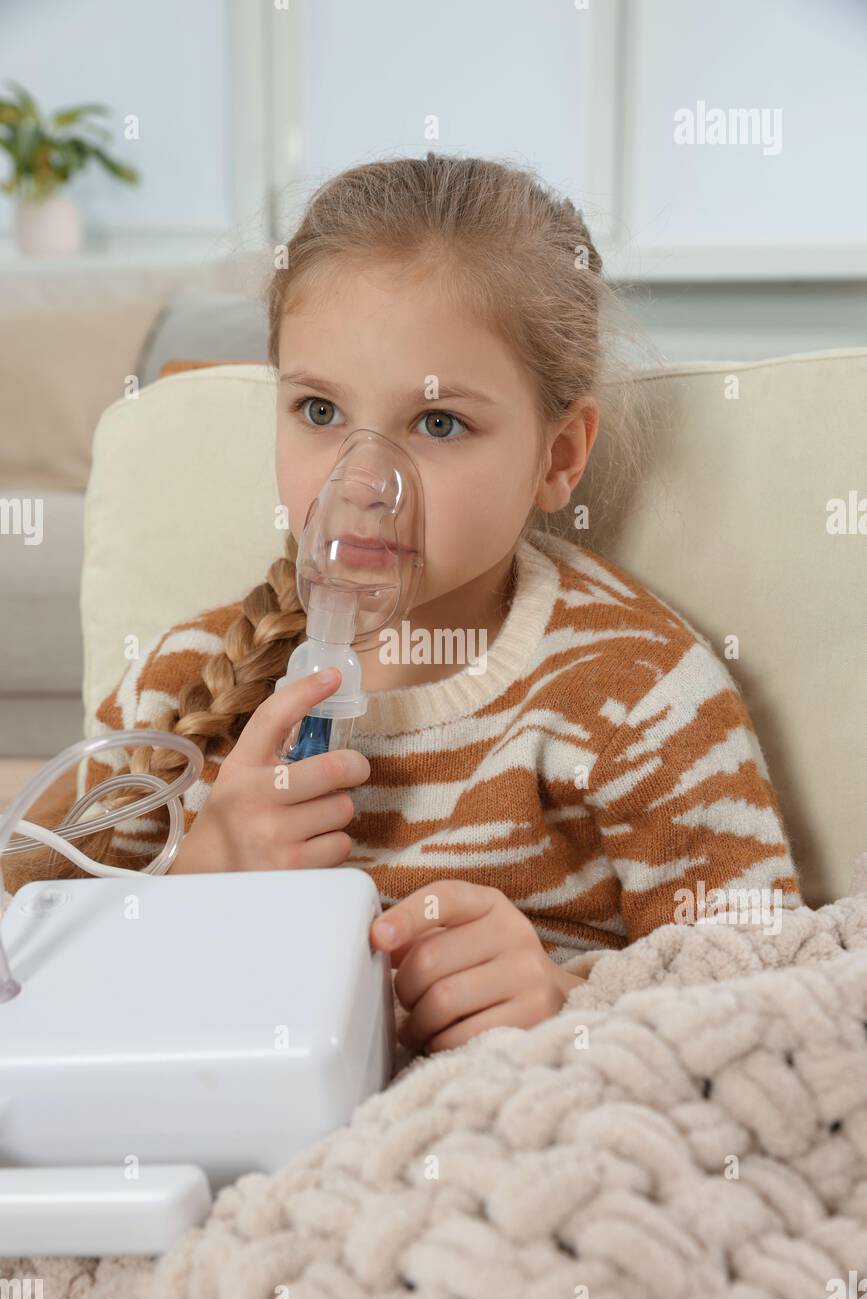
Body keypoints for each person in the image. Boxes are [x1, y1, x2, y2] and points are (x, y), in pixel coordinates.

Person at [6, 154, 802, 1054]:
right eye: (318, 412)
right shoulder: (180, 686)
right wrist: (195, 876)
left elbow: (771, 1007)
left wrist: (570, 1002)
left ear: (559, 457)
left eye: (438, 424)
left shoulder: (635, 696)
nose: (362, 485)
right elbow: (28, 974)